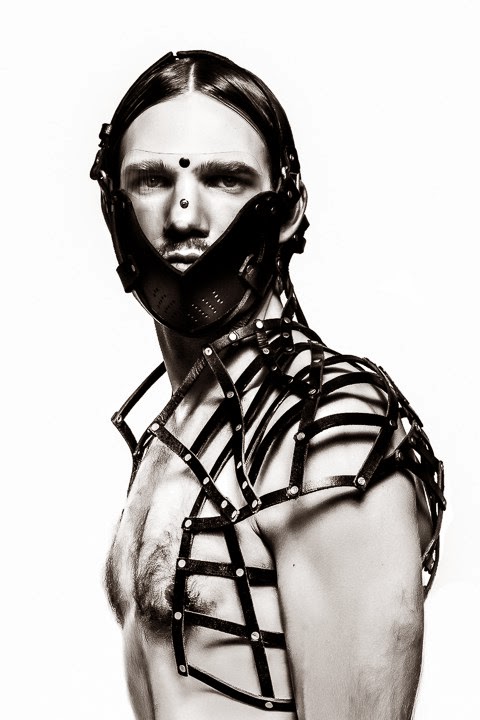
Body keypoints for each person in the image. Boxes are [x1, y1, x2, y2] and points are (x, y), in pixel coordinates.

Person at [91, 50, 445, 720]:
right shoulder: (173, 433)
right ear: (114, 205)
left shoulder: (326, 434)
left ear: (287, 209)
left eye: (226, 179)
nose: (185, 215)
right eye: (151, 179)